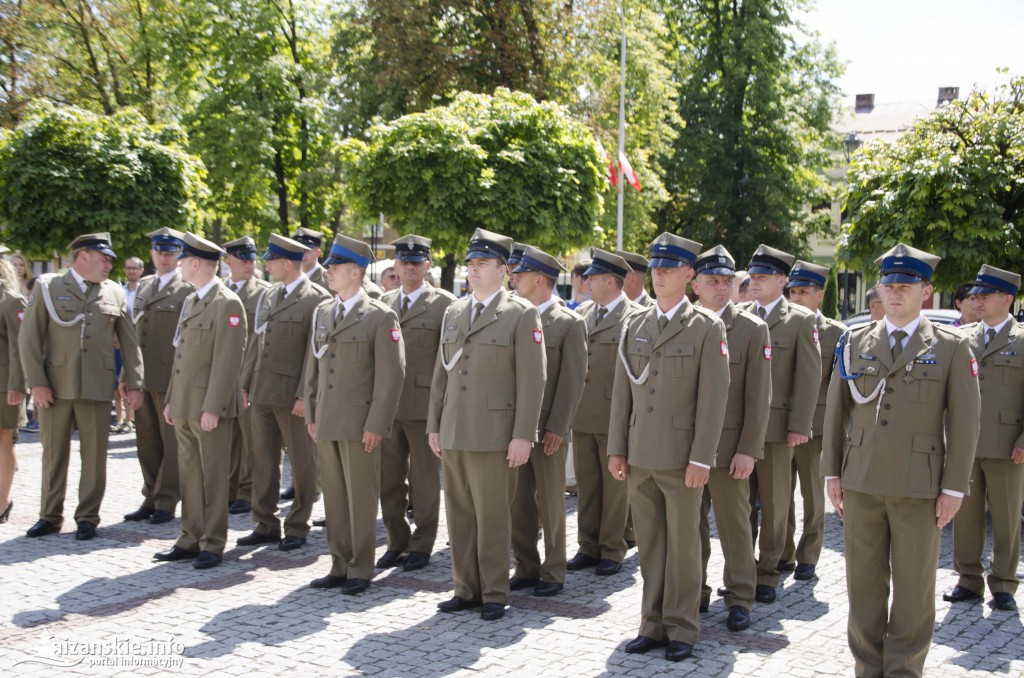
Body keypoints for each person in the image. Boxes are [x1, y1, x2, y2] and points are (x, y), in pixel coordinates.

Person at [823, 243, 980, 678]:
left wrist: (953, 488)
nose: (895, 292)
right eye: (889, 284)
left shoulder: (950, 347)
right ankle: (867, 668)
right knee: (864, 587)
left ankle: (903, 670)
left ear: (925, 291)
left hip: (919, 487)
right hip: (862, 482)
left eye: (905, 285)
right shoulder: (855, 342)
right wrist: (832, 473)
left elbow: (966, 423)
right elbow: (835, 413)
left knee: (913, 590)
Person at [608, 233, 730, 661]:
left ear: (689, 274)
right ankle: (652, 624)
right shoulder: (634, 324)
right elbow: (622, 394)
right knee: (652, 545)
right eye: (655, 268)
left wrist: (702, 457)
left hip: (682, 458)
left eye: (669, 268)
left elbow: (714, 401)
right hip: (640, 453)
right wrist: (617, 448)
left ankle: (682, 627)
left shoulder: (706, 327)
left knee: (683, 547)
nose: (659, 274)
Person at [427, 228, 546, 621]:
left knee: (493, 516)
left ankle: (494, 590)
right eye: (471, 264)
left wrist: (523, 435)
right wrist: (434, 424)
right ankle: (465, 587)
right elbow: (442, 373)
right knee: (459, 515)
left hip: (496, 435)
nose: (473, 271)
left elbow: (533, 380)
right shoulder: (455, 312)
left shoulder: (520, 313)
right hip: (456, 430)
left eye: (482, 264)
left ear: (503, 269)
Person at [22, 233, 144, 540]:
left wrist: (135, 383)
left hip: (96, 386)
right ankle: (49, 516)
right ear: (83, 257)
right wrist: (36, 383)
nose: (108, 265)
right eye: (103, 259)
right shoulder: (49, 288)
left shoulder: (114, 292)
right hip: (56, 386)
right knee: (53, 454)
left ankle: (88, 517)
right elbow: (29, 339)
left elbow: (130, 342)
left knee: (94, 456)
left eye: (110, 261)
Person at [305, 234, 405, 593]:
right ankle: (339, 563)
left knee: (361, 497)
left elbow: (391, 376)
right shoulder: (323, 311)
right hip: (328, 420)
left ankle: (361, 567)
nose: (328, 272)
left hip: (360, 423)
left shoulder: (380, 316)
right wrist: (311, 412)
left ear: (355, 272)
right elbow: (313, 367)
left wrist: (377, 423)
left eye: (335, 267)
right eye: (329, 266)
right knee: (334, 495)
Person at [156, 233, 246, 570]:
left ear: (195, 263)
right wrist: (170, 399)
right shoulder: (193, 300)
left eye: (182, 261)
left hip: (209, 407)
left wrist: (214, 407)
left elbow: (228, 360)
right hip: (184, 404)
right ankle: (189, 537)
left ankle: (213, 542)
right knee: (190, 474)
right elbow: (181, 357)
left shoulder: (227, 303)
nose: (178, 266)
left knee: (212, 476)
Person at [691, 245, 770, 632]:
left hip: (727, 450)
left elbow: (759, 399)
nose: (721, 288)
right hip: (684, 447)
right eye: (712, 281)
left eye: (727, 281)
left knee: (735, 525)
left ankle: (740, 597)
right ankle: (693, 591)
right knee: (690, 525)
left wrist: (748, 450)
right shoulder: (681, 324)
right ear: (696, 284)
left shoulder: (752, 329)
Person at [237, 234, 331, 552]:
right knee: (262, 461)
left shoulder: (316, 298)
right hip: (262, 391)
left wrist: (306, 394)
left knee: (304, 464)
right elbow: (256, 342)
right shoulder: (269, 296)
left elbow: (314, 352)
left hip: (292, 396)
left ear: (287, 263)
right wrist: (245, 383)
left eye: (272, 260)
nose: (267, 265)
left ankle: (297, 524)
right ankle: (265, 524)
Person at [741, 244, 820, 604]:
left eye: (762, 277)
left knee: (774, 503)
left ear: (782, 280)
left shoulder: (800, 320)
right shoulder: (741, 315)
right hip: (740, 429)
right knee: (742, 504)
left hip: (775, 430)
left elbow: (808, 378)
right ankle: (743, 568)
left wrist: (799, 425)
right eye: (752, 276)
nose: (754, 283)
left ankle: (768, 571)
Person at [509, 246, 588, 597]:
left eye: (521, 275)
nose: (514, 279)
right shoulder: (511, 316)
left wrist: (558, 426)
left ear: (540, 279)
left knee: (551, 503)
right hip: (516, 429)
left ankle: (553, 570)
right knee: (519, 501)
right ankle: (525, 566)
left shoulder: (569, 322)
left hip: (549, 429)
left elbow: (572, 381)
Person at [945, 264, 1023, 612]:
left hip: (1009, 445)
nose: (976, 301)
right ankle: (968, 580)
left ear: (1007, 299)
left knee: (1006, 518)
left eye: (985, 295)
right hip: (965, 445)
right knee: (966, 517)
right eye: (975, 296)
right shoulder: (963, 338)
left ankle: (1004, 584)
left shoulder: (1022, 340)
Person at [377, 235, 455, 572]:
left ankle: (422, 544)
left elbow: (450, 362)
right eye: (403, 262)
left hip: (425, 407)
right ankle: (397, 540)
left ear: (427, 266)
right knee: (389, 480)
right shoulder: (382, 304)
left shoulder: (446, 306)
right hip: (388, 407)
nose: (409, 267)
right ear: (395, 266)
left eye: (416, 262)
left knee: (424, 480)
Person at [568, 250, 643, 575]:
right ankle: (588, 545)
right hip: (583, 414)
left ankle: (613, 548)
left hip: (616, 417)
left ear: (611, 282)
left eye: (594, 278)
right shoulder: (584, 313)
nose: (587, 283)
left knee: (615, 488)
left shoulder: (635, 317)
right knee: (588, 484)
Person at [779, 261, 847, 581]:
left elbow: (839, 387)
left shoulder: (836, 333)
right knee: (779, 494)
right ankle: (783, 551)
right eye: (792, 292)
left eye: (803, 292)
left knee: (811, 494)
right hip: (779, 423)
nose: (796, 298)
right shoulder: (778, 325)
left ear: (820, 295)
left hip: (815, 427)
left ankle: (809, 555)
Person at [123, 228, 193, 526]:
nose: (164, 258)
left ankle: (167, 499)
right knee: (146, 440)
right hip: (143, 374)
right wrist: (127, 373)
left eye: (170, 252)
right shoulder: (144, 286)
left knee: (172, 443)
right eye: (159, 252)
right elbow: (134, 334)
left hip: (170, 376)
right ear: (151, 254)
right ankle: (151, 495)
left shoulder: (187, 288)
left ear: (179, 255)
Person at [222, 237, 271, 516]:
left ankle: (247, 490)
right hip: (223, 376)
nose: (249, 264)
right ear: (228, 261)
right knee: (228, 439)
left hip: (248, 376)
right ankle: (229, 489)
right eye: (243, 259)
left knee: (252, 440)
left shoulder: (263, 292)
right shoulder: (220, 291)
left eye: (252, 259)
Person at [0, 259, 26, 523]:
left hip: (4, 384)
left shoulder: (12, 300)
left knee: (3, 440)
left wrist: (18, 384)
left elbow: (21, 347)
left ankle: (2, 502)